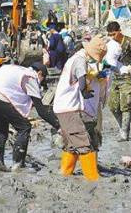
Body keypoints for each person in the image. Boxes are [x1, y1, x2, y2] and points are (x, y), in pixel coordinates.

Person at [0, 63, 60, 172]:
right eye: (42, 80)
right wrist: (59, 126)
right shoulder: (31, 77)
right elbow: (41, 111)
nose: (40, 84)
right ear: (40, 73)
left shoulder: (14, 68)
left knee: (0, 128)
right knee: (24, 127)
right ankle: (18, 164)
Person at [52, 37, 108, 181]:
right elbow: (82, 77)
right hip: (68, 107)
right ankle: (93, 178)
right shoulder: (79, 60)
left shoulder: (77, 59)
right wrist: (84, 91)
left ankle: (65, 172)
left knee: (72, 143)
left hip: (64, 107)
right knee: (83, 142)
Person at [105, 21, 131, 141]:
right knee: (112, 105)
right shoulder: (111, 44)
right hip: (115, 77)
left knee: (125, 105)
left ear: (119, 31)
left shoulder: (129, 42)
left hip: (127, 76)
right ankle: (122, 126)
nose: (112, 37)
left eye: (114, 34)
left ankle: (125, 133)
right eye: (110, 35)